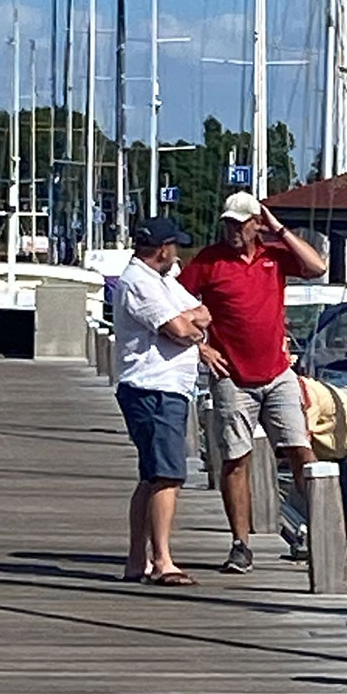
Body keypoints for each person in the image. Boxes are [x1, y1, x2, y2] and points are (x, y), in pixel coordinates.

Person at [179, 191, 327, 573]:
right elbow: (173, 304)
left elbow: (317, 267)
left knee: (301, 451)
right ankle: (240, 544)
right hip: (232, 376)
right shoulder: (209, 261)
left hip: (278, 373)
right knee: (235, 459)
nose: (232, 230)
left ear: (255, 224)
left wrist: (278, 228)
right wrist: (200, 347)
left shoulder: (274, 256)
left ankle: (317, 530)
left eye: (240, 223)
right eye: (227, 223)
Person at [113, 217, 212, 586]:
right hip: (153, 388)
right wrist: (190, 324)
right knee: (167, 476)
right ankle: (162, 560)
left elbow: (203, 313)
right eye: (174, 246)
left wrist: (190, 322)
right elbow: (183, 329)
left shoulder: (164, 281)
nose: (177, 253)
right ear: (162, 248)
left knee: (151, 475)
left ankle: (137, 559)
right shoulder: (138, 282)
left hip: (166, 387)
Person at [298, 376, 347, 542]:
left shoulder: (306, 394)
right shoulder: (300, 390)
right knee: (338, 495)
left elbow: (302, 436)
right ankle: (333, 539)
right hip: (331, 447)